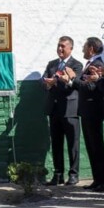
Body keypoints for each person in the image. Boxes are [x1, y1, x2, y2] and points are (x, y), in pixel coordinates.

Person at [42, 36, 84, 185]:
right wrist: (48, 83)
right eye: (58, 46)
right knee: (56, 143)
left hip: (69, 109)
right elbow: (43, 80)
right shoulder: (52, 64)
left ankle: (73, 174)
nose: (60, 49)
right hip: (54, 109)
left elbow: (76, 84)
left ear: (70, 48)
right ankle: (58, 174)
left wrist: (64, 80)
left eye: (63, 46)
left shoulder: (77, 65)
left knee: (73, 143)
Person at [77, 37, 104, 192]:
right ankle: (97, 179)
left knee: (97, 145)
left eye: (85, 46)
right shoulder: (91, 63)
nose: (83, 49)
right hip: (87, 110)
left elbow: (91, 87)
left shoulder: (97, 64)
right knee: (91, 146)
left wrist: (72, 79)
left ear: (91, 48)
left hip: (93, 110)